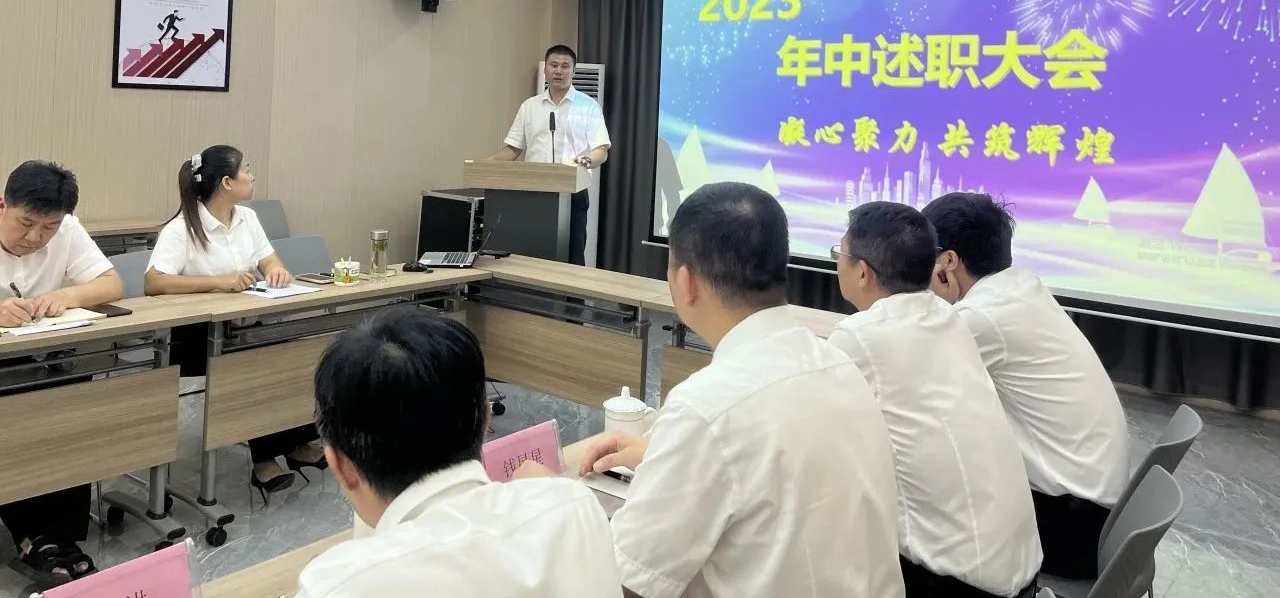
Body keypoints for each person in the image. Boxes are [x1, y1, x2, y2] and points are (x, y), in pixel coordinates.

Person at [570, 182, 904, 598]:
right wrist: (659, 455)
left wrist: (553, 503)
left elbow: (624, 582)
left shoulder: (706, 407)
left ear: (686, 282)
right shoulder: (840, 367)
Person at [294, 307, 620, 597]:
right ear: (486, 418)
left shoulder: (338, 585)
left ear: (340, 465)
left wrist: (338, 573)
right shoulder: (573, 507)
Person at [829, 202, 1042, 598]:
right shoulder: (950, 317)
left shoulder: (860, 336)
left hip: (962, 583)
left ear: (862, 272)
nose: (836, 264)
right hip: (1017, 572)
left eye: (838, 254)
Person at [923, 193, 1130, 579]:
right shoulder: (1020, 286)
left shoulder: (983, 315)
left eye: (923, 257)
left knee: (917, 500)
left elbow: (908, 373)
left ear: (947, 261)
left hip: (1071, 528)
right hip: (1099, 511)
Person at [145, 145, 324, 500]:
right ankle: (264, 461)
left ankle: (296, 443)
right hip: (194, 336)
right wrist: (219, 281)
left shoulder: (248, 218)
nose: (252, 176)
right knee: (252, 362)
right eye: (247, 170)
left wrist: (277, 272)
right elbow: (154, 282)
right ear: (227, 182)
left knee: (289, 352)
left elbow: (269, 260)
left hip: (241, 326)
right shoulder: (182, 228)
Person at [0, 161, 124, 585]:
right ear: (3, 205)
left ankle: (59, 534)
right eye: (26, 223)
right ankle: (32, 534)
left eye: (49, 227)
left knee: (72, 415)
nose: (36, 237)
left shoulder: (67, 228)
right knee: (17, 425)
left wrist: (66, 295)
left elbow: (111, 285)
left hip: (45, 359)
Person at [489, 44, 609, 265]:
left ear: (573, 71)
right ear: (545, 69)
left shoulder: (588, 106)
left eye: (565, 66)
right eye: (554, 65)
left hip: (572, 191)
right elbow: (513, 149)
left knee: (571, 258)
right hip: (533, 192)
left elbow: (601, 151)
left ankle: (571, 289)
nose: (558, 71)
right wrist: (485, 164)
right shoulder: (529, 107)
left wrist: (585, 160)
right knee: (531, 256)